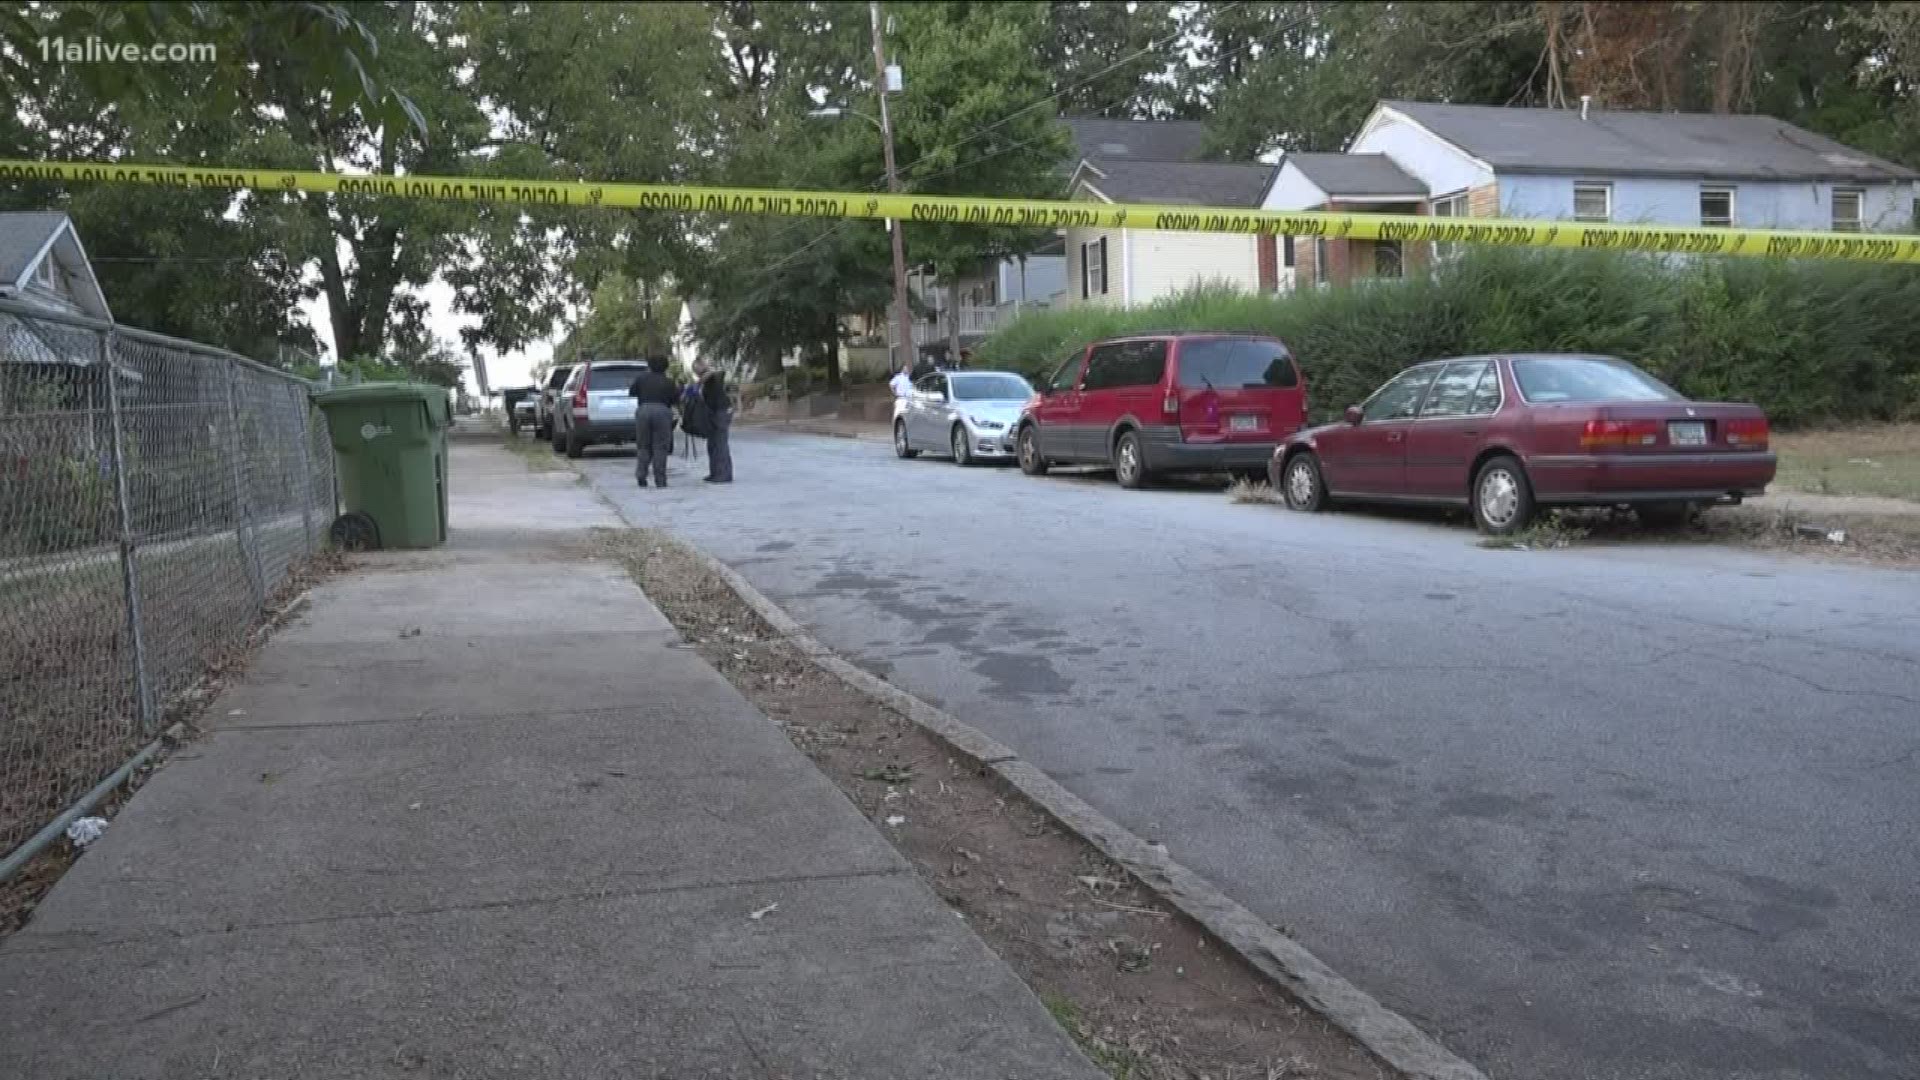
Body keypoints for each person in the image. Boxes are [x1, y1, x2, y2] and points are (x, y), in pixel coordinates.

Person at [628, 354, 678, 488]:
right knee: (660, 447)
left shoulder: (641, 379)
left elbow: (632, 392)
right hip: (662, 411)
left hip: (643, 410)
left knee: (643, 446)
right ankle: (660, 480)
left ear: (649, 366)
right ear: (666, 367)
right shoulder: (669, 381)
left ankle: (641, 475)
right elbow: (675, 399)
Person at [694, 357, 734, 483]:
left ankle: (724, 475)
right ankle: (715, 472)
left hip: (721, 411)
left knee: (720, 444)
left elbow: (717, 373)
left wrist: (701, 379)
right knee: (712, 444)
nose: (695, 371)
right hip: (713, 413)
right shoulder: (705, 380)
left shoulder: (714, 375)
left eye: (696, 368)